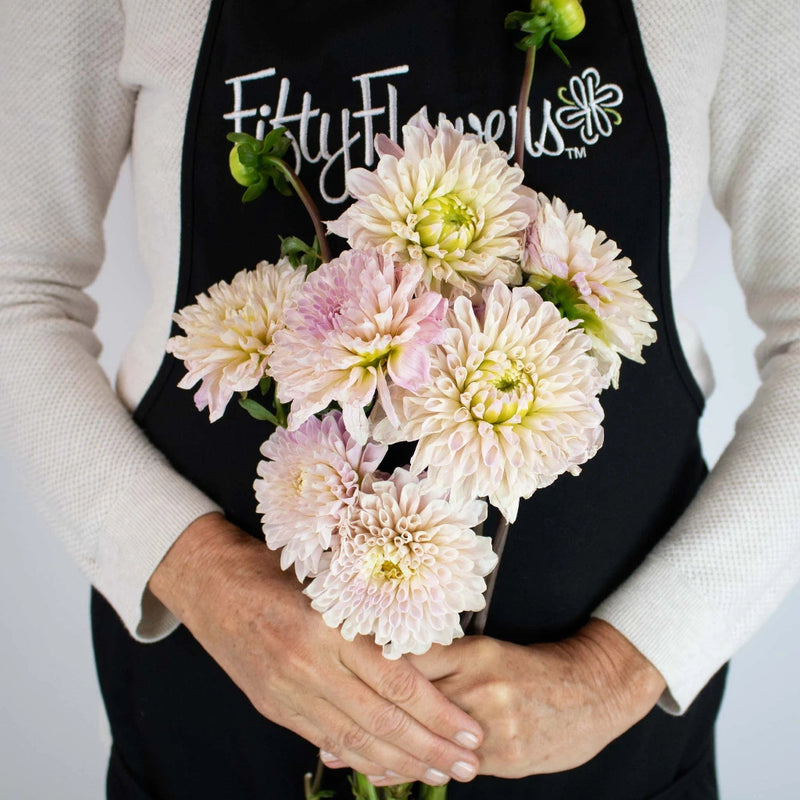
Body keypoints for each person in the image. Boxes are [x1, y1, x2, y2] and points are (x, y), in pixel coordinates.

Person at [0, 1, 798, 798]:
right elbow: (16, 292)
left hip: (610, 755)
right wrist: (208, 580)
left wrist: (618, 667)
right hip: (222, 722)